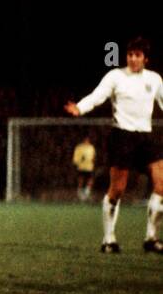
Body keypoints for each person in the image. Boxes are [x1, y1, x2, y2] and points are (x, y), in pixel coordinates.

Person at [64, 36, 163, 253]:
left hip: (145, 136)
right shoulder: (116, 76)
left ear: (146, 59)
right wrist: (80, 108)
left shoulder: (155, 79)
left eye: (138, 55)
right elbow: (98, 96)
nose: (133, 59)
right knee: (117, 189)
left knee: (161, 184)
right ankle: (108, 239)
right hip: (122, 136)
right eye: (130, 55)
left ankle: (151, 238)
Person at [72, 136, 96, 202]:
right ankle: (80, 195)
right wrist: (80, 160)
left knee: (90, 180)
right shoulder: (79, 147)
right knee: (80, 181)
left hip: (89, 167)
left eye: (88, 140)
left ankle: (87, 193)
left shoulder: (91, 147)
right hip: (81, 167)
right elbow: (75, 159)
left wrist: (93, 160)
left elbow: (94, 156)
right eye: (85, 139)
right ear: (83, 140)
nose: (87, 141)